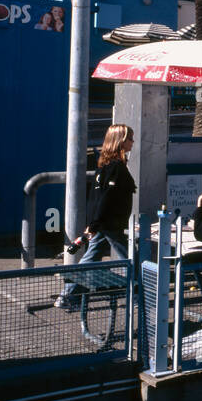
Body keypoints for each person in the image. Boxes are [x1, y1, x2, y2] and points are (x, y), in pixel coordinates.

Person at [55, 124, 136, 308]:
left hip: (103, 222)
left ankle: (67, 296)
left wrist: (93, 223)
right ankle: (140, 296)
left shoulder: (105, 165)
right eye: (130, 138)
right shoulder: (116, 167)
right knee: (133, 261)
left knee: (90, 258)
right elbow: (106, 198)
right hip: (110, 223)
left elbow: (96, 196)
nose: (133, 142)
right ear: (121, 141)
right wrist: (95, 223)